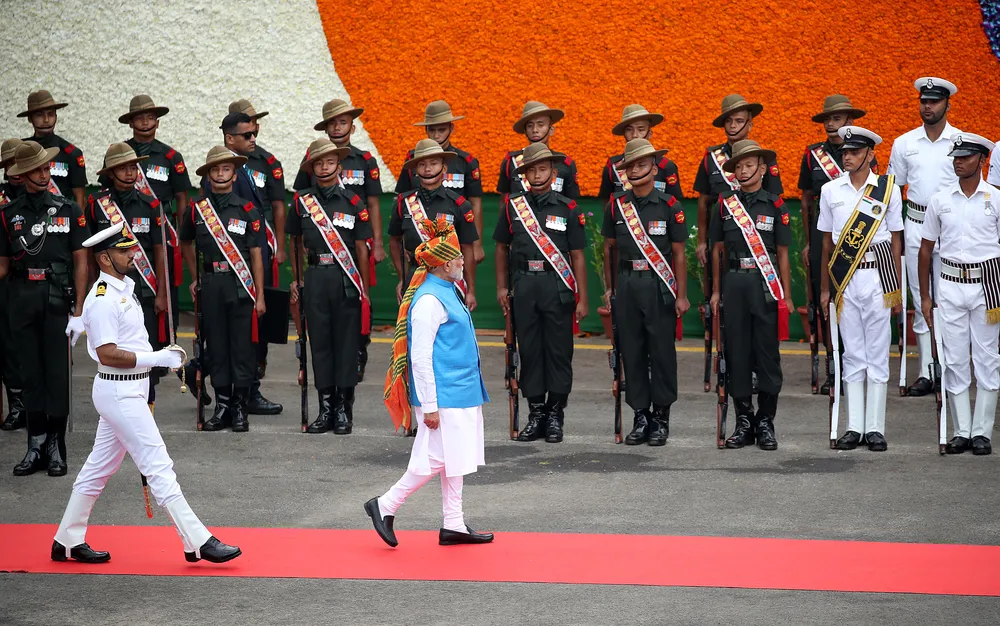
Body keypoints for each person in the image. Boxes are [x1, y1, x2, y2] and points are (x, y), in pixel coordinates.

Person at [51, 222, 240, 564]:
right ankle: (196, 540)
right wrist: (157, 358)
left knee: (98, 469)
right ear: (105, 258)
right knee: (158, 465)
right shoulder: (103, 299)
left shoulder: (124, 287)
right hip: (118, 390)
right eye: (124, 251)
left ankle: (67, 538)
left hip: (129, 389)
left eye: (130, 247)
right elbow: (108, 353)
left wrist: (154, 357)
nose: (132, 254)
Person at [368, 219, 492, 547]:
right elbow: (420, 358)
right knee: (437, 459)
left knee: (455, 458)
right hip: (445, 394)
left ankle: (454, 523)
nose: (463, 261)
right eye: (457, 258)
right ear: (442, 264)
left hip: (461, 390)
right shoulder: (428, 301)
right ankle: (385, 504)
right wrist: (430, 405)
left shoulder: (447, 291)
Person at [0, 141, 88, 476]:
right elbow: (4, 266)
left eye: (46, 167)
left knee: (56, 375)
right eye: (35, 169)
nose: (42, 173)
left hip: (55, 300)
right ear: (21, 175)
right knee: (29, 374)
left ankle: (55, 445)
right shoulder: (9, 216)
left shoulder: (68, 209)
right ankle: (34, 444)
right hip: (21, 300)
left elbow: (82, 261)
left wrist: (79, 309)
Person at [496, 142, 588, 443]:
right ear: (524, 174)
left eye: (543, 168)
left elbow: (577, 255)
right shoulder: (513, 206)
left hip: (557, 286)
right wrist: (502, 286)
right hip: (524, 285)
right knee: (531, 351)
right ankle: (536, 412)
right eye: (532, 169)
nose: (537, 174)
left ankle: (555, 414)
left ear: (554, 172)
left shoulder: (568, 208)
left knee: (559, 352)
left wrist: (582, 297)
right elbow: (501, 248)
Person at [819, 126, 904, 451]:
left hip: (879, 275)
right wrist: (826, 288)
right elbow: (827, 243)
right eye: (844, 152)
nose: (847, 156)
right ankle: (854, 426)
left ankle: (875, 428)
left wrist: (896, 286)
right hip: (845, 279)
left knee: (878, 353)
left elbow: (897, 240)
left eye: (854, 152)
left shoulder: (888, 190)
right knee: (852, 353)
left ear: (870, 154)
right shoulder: (830, 190)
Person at [602, 139, 688, 446]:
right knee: (632, 351)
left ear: (654, 168)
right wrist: (610, 288)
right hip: (627, 285)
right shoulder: (616, 205)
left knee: (662, 353)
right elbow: (609, 250)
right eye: (631, 166)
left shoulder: (670, 206)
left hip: (659, 286)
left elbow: (679, 253)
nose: (636, 170)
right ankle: (640, 415)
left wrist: (681, 294)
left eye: (642, 164)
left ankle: (661, 418)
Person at [709, 139, 794, 451]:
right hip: (734, 283)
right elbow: (718, 251)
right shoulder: (724, 205)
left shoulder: (776, 205)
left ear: (762, 168)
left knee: (767, 355)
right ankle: (743, 420)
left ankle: (765, 421)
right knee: (738, 354)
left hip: (765, 287)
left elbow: (783, 254)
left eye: (749, 165)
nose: (744, 170)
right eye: (739, 166)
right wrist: (716, 291)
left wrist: (784, 294)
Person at [919, 133, 999, 456]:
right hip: (949, 283)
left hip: (987, 285)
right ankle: (961, 430)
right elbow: (925, 250)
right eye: (956, 156)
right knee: (953, 360)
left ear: (981, 161)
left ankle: (982, 431)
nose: (958, 161)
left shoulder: (995, 199)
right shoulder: (940, 200)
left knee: (987, 359)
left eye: (965, 157)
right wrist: (925, 297)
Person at [294, 99, 384, 381]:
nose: (337, 126)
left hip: (356, 240)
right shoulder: (313, 157)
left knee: (358, 300)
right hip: (322, 240)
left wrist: (377, 243)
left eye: (342, 122)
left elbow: (372, 203)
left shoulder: (365, 160)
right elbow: (302, 199)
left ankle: (359, 350)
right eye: (332, 122)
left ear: (352, 127)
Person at [288, 138, 372, 434]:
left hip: (345, 279)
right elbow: (295, 242)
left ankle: (343, 410)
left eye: (330, 162)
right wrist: (297, 277)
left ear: (339, 165)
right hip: (315, 276)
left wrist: (363, 288)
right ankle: (325, 409)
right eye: (319, 163)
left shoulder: (353, 202)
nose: (325, 168)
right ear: (312, 168)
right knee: (320, 344)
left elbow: (362, 248)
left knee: (346, 345)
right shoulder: (301, 202)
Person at [181, 146, 266, 432]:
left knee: (241, 348)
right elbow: (185, 243)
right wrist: (196, 276)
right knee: (216, 346)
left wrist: (260, 294)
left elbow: (256, 253)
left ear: (234, 174)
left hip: (241, 286)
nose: (220, 174)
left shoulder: (247, 209)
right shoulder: (196, 210)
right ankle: (222, 405)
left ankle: (240, 408)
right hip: (212, 285)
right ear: (207, 175)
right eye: (215, 169)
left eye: (226, 169)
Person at [887, 77, 962, 397]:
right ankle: (925, 371)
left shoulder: (960, 141)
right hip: (916, 224)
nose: (927, 106)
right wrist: (895, 236)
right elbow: (893, 193)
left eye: (934, 101)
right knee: (921, 301)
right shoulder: (905, 143)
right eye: (923, 101)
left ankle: (948, 368)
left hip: (950, 229)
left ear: (947, 104)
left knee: (947, 301)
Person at [798, 95, 872, 394]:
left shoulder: (864, 152)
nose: (831, 123)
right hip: (822, 234)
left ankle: (857, 364)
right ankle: (833, 367)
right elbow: (805, 199)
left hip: (855, 235)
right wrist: (807, 242)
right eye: (828, 119)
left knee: (854, 301)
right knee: (824, 302)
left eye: (837, 119)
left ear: (849, 122)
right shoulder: (812, 154)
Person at [213, 104, 284, 415]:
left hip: (257, 256)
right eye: (247, 133)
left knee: (258, 325)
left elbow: (276, 206)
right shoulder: (221, 169)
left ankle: (250, 386)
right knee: (235, 334)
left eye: (255, 130)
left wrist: (277, 246)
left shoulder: (263, 163)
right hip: (232, 266)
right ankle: (240, 392)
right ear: (231, 139)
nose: (254, 136)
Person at [89, 143, 168, 412]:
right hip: (110, 289)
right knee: (113, 347)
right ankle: (116, 405)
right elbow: (88, 251)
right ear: (111, 173)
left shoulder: (150, 204)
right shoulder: (97, 205)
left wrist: (163, 293)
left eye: (133, 167)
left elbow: (160, 251)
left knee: (145, 347)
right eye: (123, 167)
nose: (129, 172)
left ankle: (146, 406)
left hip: (144, 289)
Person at [104, 94, 191, 333]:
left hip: (162, 233)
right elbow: (105, 192)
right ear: (130, 123)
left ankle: (164, 344)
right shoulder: (119, 152)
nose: (145, 122)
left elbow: (182, 197)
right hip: (123, 230)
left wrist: (182, 235)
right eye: (139, 118)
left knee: (165, 291)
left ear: (158, 121)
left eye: (150, 117)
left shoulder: (171, 157)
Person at [694, 94, 783, 266]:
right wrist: (702, 241)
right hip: (722, 238)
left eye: (739, 121)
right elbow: (703, 202)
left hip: (759, 239)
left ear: (750, 124)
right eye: (728, 121)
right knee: (717, 290)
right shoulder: (711, 158)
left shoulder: (764, 159)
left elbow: (775, 202)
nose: (733, 125)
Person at [389, 139, 479, 308]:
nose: (428, 169)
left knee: (448, 332)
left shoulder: (459, 204)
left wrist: (471, 289)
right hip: (416, 277)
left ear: (444, 168)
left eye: (434, 163)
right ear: (416, 170)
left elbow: (467, 248)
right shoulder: (404, 203)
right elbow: (394, 241)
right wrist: (403, 277)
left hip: (449, 278)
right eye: (422, 164)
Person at [397, 100, 485, 264]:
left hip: (456, 240)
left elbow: (475, 203)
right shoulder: (412, 159)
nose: (436, 135)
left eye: (441, 129)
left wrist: (477, 243)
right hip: (420, 241)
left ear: (451, 128)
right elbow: (402, 202)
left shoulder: (466, 161)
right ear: (426, 130)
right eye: (432, 130)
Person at [598, 104, 684, 205]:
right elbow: (607, 203)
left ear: (650, 134)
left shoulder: (666, 166)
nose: (635, 135)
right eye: (629, 129)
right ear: (624, 134)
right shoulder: (612, 167)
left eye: (641, 129)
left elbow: (675, 204)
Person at [18, 90, 87, 209]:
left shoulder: (71, 153)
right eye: (39, 115)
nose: (46, 120)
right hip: (26, 216)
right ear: (30, 118)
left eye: (50, 114)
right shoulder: (19, 151)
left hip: (59, 222)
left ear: (56, 116)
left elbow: (79, 198)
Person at [498, 101, 579, 201]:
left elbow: (572, 205)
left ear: (551, 130)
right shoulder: (511, 162)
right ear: (525, 131)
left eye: (540, 125)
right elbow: (504, 202)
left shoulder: (565, 163)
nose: (535, 130)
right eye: (530, 126)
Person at [0, 138, 26, 431]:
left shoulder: (46, 199)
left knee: (25, 346)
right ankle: (17, 405)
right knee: (7, 344)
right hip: (4, 282)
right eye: (10, 165)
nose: (16, 170)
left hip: (29, 279)